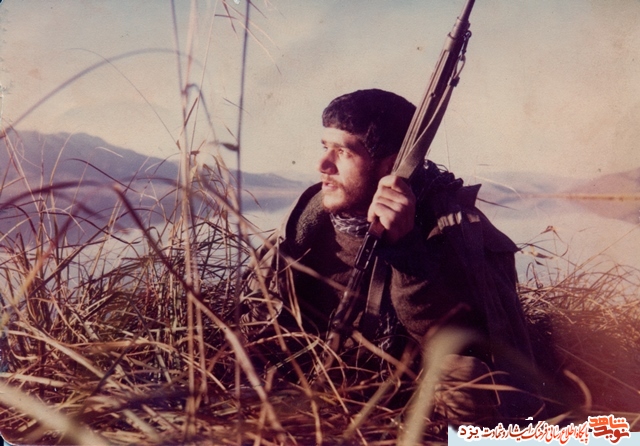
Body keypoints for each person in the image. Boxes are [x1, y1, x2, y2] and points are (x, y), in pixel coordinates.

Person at [240, 89, 544, 426]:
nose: (322, 165)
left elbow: (469, 346)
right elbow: (259, 328)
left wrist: (407, 254)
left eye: (343, 152)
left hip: (414, 400)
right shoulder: (301, 227)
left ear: (392, 166)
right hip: (318, 390)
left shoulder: (455, 230)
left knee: (463, 379)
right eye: (325, 147)